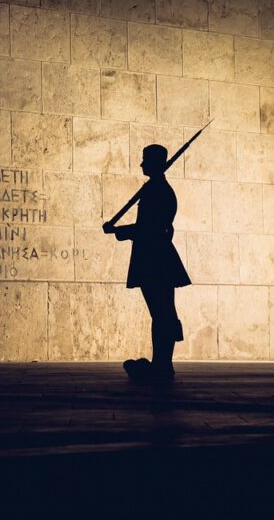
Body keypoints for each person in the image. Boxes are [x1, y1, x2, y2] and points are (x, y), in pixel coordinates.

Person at [103, 144, 191, 384]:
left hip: (156, 259)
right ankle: (161, 364)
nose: (141, 165)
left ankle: (162, 365)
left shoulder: (158, 191)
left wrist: (118, 231)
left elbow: (151, 229)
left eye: (145, 161)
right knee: (162, 314)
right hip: (155, 257)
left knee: (162, 314)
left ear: (156, 163)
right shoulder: (155, 189)